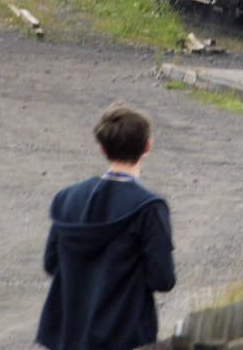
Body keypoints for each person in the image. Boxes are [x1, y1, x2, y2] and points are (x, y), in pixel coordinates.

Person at [37, 102, 176, 350]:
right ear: (147, 147)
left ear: (102, 148)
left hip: (69, 334)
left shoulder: (66, 198)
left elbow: (51, 264)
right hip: (124, 336)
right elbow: (162, 279)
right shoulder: (149, 208)